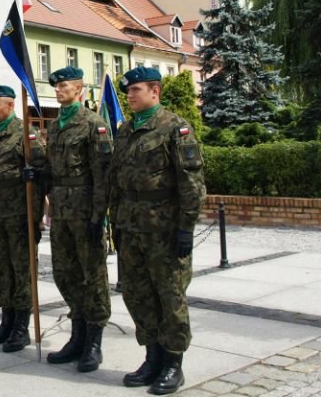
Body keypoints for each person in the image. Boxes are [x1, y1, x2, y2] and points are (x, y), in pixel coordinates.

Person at [109, 67, 205, 395]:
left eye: (136, 89)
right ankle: (152, 356)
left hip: (163, 229)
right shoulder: (124, 130)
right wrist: (115, 224)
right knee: (137, 295)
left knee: (170, 296)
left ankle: (173, 364)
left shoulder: (174, 128)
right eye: (129, 91)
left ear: (155, 91)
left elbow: (191, 183)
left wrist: (186, 229)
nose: (130, 95)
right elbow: (116, 183)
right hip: (131, 227)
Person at [44, 67, 113, 372]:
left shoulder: (92, 124)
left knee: (92, 275)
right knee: (64, 272)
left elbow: (103, 175)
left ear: (79, 90)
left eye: (63, 86)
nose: (58, 90)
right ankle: (77, 333)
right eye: (56, 86)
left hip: (84, 209)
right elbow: (53, 168)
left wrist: (99, 215)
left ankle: (94, 341)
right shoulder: (54, 126)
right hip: (60, 210)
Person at [0, 85, 45, 353]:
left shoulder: (26, 134)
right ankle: (6, 320)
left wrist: (36, 218)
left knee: (21, 270)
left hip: (19, 215)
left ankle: (21, 327)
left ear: (11, 105)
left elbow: (39, 179)